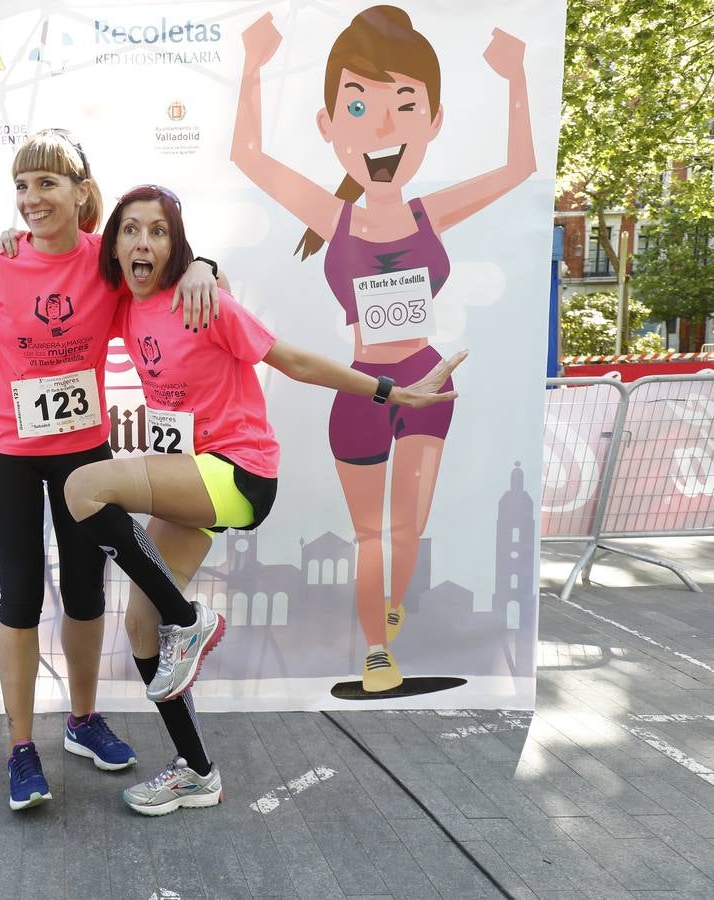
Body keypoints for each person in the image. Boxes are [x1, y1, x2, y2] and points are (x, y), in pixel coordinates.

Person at [61, 184, 462, 814]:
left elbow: (295, 361)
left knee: (85, 485)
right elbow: (65, 255)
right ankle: (197, 771)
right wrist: (15, 238)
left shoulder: (206, 304)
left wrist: (393, 392)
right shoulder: (125, 308)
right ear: (114, 243)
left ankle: (190, 624)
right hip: (188, 474)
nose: (144, 242)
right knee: (140, 622)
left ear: (175, 246)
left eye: (160, 232)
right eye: (131, 230)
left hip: (239, 471)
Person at [231, 6, 534, 691]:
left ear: (432, 121)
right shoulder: (333, 215)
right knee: (370, 533)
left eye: (405, 105)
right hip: (362, 389)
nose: (383, 127)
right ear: (328, 125)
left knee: (405, 529)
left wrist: (516, 76)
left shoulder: (431, 211)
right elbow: (247, 157)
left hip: (430, 380)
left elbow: (520, 166)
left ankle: (389, 605)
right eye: (359, 105)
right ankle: (377, 649)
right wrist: (253, 65)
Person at [0, 129, 220, 811]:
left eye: (47, 183)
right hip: (8, 455)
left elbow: (160, 260)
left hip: (83, 457)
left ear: (79, 190)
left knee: (87, 593)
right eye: (22, 186)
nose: (32, 199)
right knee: (18, 599)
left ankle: (83, 720)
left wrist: (203, 265)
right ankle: (19, 747)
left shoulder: (104, 265)